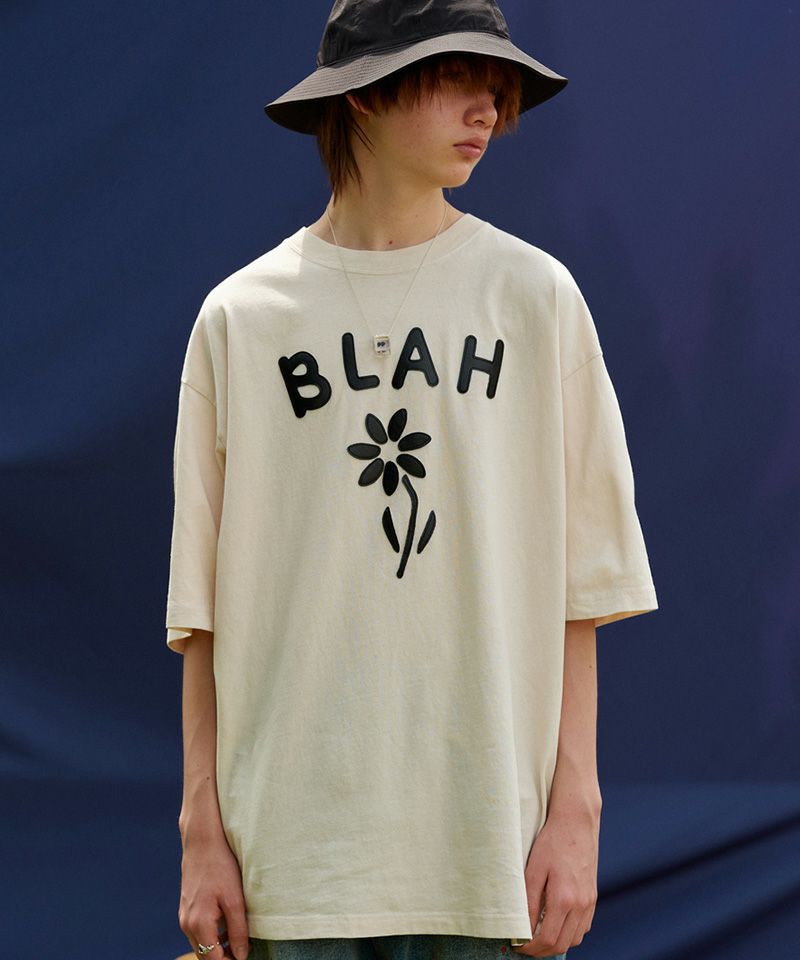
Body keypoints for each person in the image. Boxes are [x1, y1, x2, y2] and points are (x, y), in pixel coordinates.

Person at [165, 3, 658, 960]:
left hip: (487, 847)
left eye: (497, 88)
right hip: (289, 859)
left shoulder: (535, 298)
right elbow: (202, 610)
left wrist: (577, 811)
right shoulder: (242, 319)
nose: (488, 110)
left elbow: (584, 586)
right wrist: (200, 830)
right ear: (362, 95)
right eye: (456, 78)